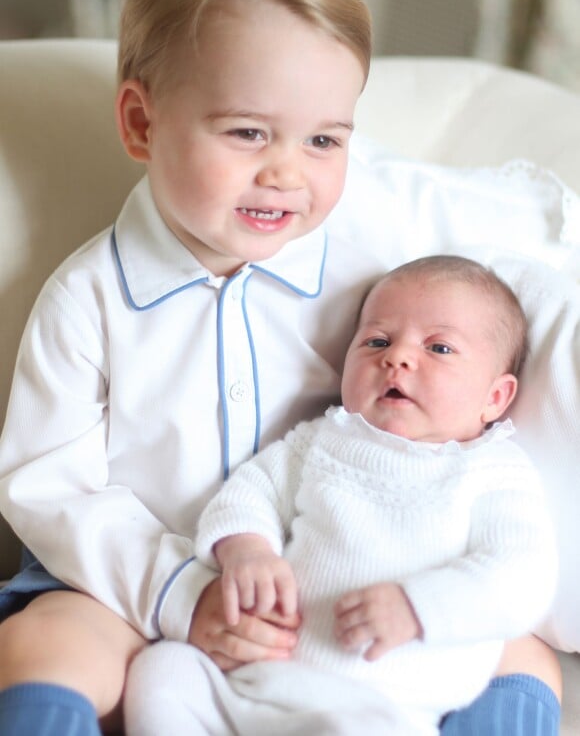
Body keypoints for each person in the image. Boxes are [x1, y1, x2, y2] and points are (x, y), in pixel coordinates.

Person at [0, 0, 560, 736]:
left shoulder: (375, 256)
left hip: (343, 580)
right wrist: (183, 595)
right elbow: (51, 490)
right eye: (247, 133)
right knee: (44, 645)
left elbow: (512, 226)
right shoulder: (89, 299)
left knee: (521, 653)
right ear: (140, 123)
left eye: (324, 140)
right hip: (131, 585)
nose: (288, 173)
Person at [123, 255, 558, 735]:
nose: (397, 357)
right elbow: (251, 491)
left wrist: (419, 608)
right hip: (252, 685)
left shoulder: (492, 472)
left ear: (495, 397)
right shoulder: (323, 440)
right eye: (377, 341)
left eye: (439, 347)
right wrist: (247, 549)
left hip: (379, 710)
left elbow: (523, 577)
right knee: (162, 671)